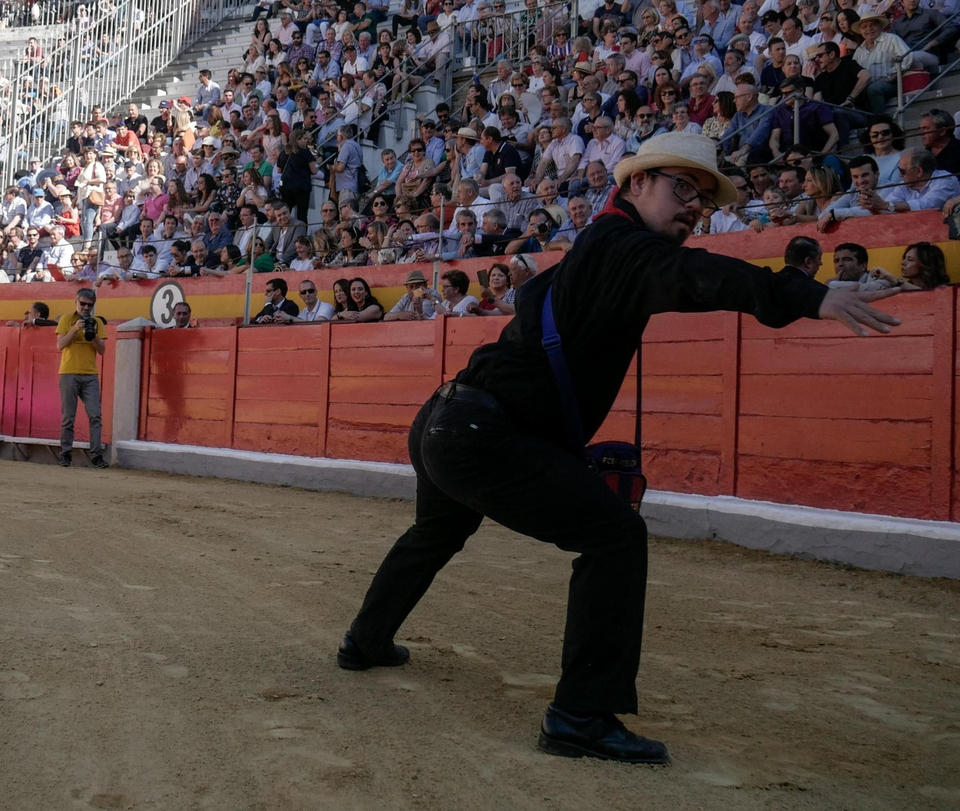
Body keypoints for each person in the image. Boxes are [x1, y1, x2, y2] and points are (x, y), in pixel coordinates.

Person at [338, 134, 900, 765]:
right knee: (614, 538)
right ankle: (580, 715)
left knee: (434, 535)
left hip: (448, 419)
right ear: (635, 184)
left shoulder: (596, 248)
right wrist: (811, 296)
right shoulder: (622, 244)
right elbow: (697, 274)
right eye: (681, 187)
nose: (694, 206)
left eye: (704, 198)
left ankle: (365, 643)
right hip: (480, 435)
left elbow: (532, 297)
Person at [55, 287, 109, 468]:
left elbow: (102, 350)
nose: (86, 308)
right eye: (83, 304)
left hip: (90, 374)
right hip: (69, 372)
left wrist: (92, 336)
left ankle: (95, 455)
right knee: (68, 417)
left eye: (89, 305)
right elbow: (60, 345)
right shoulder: (66, 320)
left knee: (95, 415)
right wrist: (74, 330)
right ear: (76, 302)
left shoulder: (96, 322)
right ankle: (66, 454)